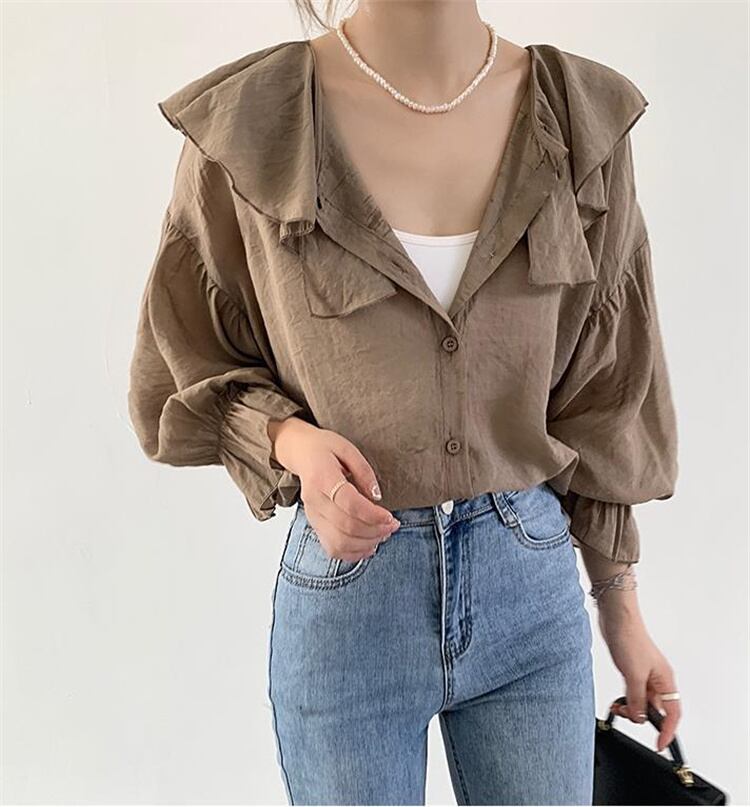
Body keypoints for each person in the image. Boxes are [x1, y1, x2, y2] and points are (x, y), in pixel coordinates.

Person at [128, 2, 682, 804]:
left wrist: (621, 611)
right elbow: (185, 362)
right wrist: (292, 442)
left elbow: (605, 390)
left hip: (530, 589)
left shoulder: (578, 118)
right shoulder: (251, 125)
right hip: (351, 599)